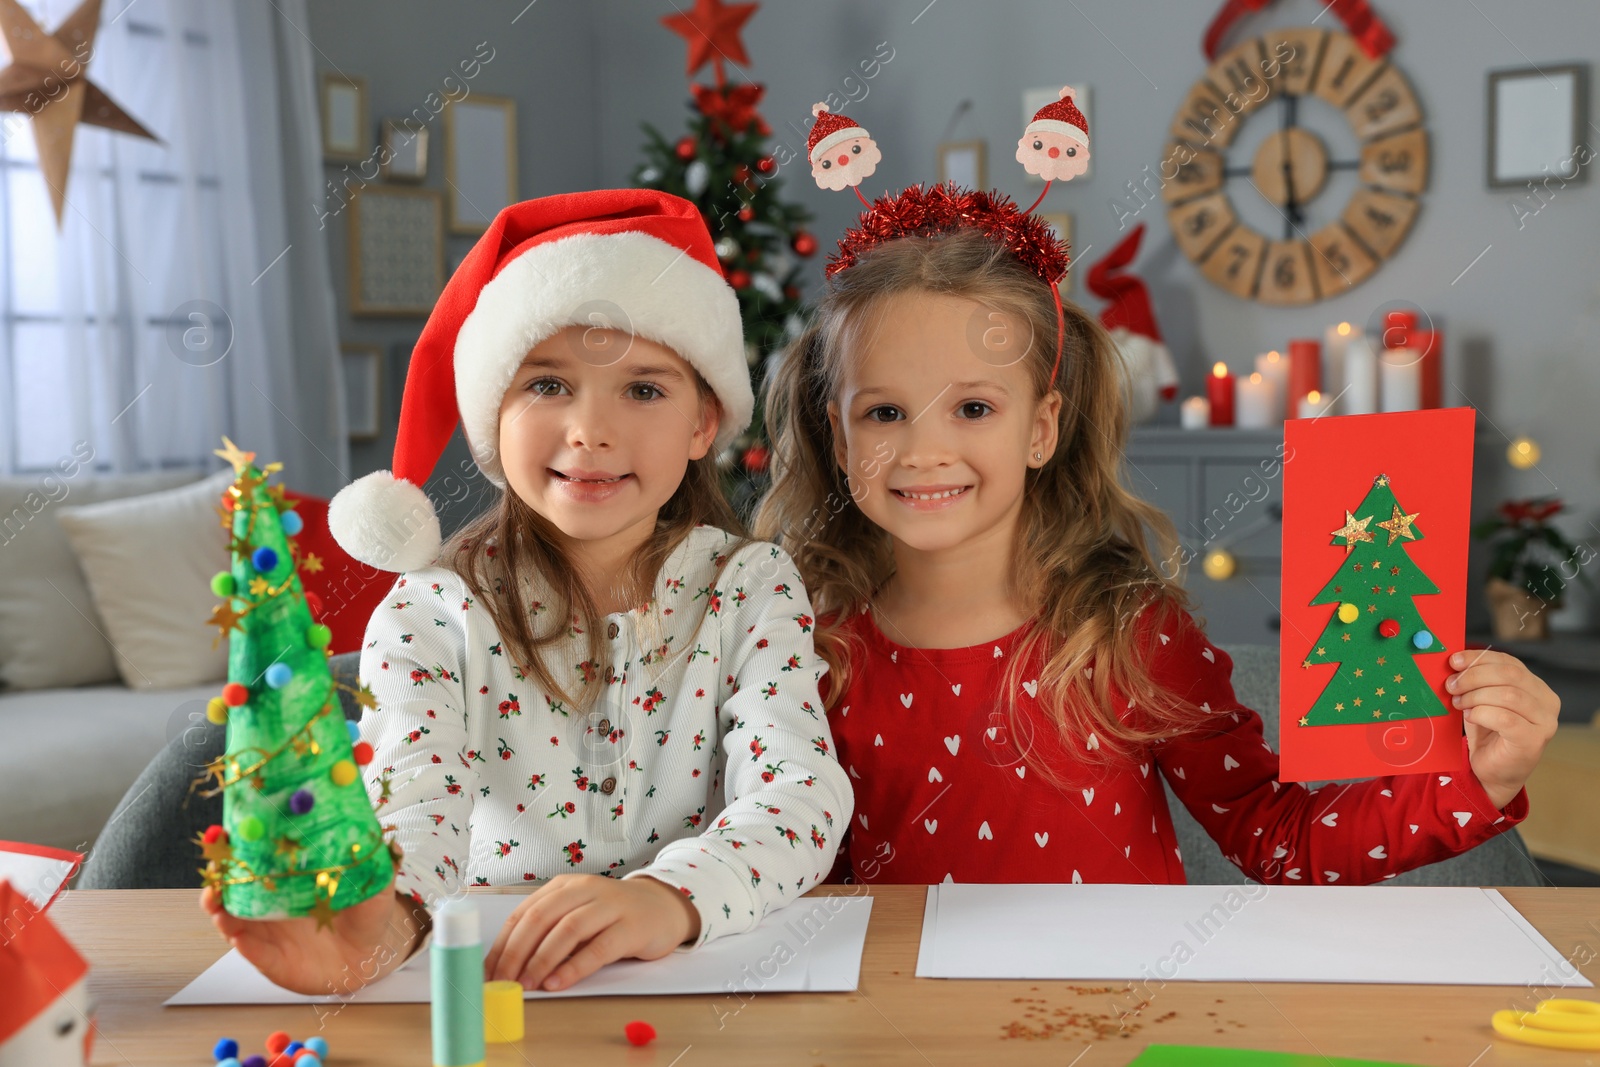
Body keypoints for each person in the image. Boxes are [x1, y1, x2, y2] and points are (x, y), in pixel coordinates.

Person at [754, 187, 1558, 888]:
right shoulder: (809, 651)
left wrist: (1480, 780)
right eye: (885, 412)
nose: (925, 450)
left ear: (1041, 429)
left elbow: (1281, 839)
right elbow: (802, 884)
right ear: (838, 432)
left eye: (972, 408)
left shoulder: (1129, 634)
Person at [201, 190, 851, 995]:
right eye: (547, 385)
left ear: (703, 423)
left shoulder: (752, 587)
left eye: (643, 389)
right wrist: (388, 919)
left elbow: (800, 791)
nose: (590, 429)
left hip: (708, 982)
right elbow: (413, 799)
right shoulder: (429, 612)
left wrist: (669, 897)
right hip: (509, 991)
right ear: (491, 417)